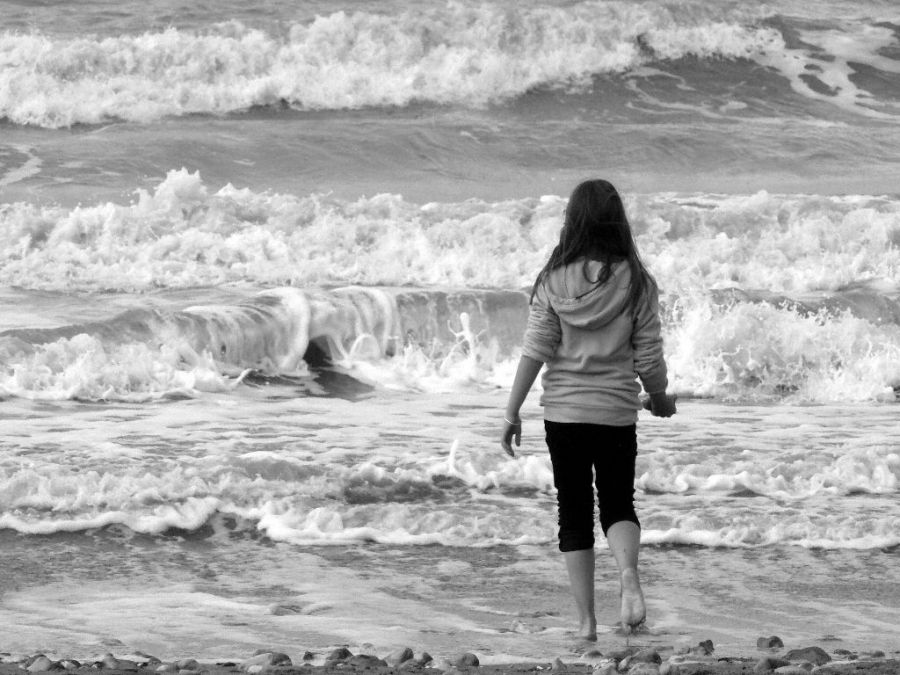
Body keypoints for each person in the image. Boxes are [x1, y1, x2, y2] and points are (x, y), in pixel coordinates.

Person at [500, 178, 676, 641]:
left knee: (573, 511)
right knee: (618, 502)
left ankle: (586, 624)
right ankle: (629, 577)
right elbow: (649, 357)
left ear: (572, 222)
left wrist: (511, 411)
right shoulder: (637, 282)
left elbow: (535, 349)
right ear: (618, 223)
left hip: (564, 414)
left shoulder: (553, 279)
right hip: (616, 411)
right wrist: (659, 398)